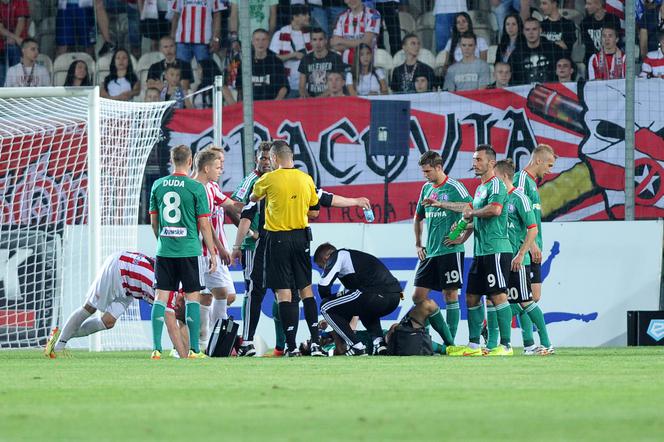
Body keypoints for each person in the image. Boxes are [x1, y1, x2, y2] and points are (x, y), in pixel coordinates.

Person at [233, 176, 371, 357]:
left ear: (276, 161)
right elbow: (322, 203)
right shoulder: (301, 181)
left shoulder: (267, 184)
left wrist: (237, 246)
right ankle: (309, 344)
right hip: (297, 242)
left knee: (275, 293)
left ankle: (283, 345)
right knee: (299, 292)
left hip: (273, 244)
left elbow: (246, 211)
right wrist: (356, 201)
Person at [43, 252, 189, 359]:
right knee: (90, 308)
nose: (176, 310)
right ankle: (59, 346)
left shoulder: (180, 290)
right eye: (180, 308)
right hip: (118, 268)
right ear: (182, 299)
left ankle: (61, 335)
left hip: (130, 288)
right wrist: (185, 359)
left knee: (108, 322)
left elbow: (177, 324)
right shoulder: (170, 292)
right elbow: (172, 328)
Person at [249, 140, 320, 357]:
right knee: (306, 290)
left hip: (277, 239)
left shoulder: (268, 178)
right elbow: (315, 211)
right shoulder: (306, 179)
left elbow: (253, 198)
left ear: (275, 158)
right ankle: (315, 343)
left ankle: (291, 346)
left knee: (284, 293)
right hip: (301, 239)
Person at [148, 145, 218, 359]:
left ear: (172, 160)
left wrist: (163, 241)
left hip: (165, 251)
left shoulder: (158, 185)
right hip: (189, 251)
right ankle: (195, 350)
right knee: (192, 298)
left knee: (161, 298)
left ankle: (156, 348)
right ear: (190, 162)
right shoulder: (195, 188)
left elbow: (154, 222)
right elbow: (205, 225)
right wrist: (213, 253)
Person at [447, 145, 514, 357]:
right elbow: (476, 219)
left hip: (496, 249)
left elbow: (495, 210)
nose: (474, 163)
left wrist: (471, 213)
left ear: (491, 163)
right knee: (471, 296)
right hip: (481, 251)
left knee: (498, 295)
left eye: (478, 159)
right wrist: (464, 227)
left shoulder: (497, 186)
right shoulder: (479, 188)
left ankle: (506, 346)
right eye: (474, 159)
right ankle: (474, 345)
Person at [411, 151, 472, 348]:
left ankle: (450, 344)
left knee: (450, 294)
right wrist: (418, 243)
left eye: (427, 171)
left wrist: (462, 237)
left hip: (450, 250)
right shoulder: (426, 188)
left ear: (439, 167)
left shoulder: (454, 186)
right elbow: (418, 216)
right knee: (417, 297)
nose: (425, 175)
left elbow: (470, 209)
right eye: (423, 172)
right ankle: (424, 337)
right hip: (431, 252)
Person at [494, 160, 553, 355]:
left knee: (526, 300)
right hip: (503, 257)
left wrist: (521, 254)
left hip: (518, 260)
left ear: (503, 176)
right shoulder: (500, 199)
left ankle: (544, 342)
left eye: (495, 176)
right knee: (505, 300)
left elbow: (532, 229)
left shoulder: (519, 197)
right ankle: (514, 344)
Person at [314, 243, 401, 356]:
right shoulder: (355, 261)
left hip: (374, 293)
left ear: (326, 258)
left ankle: (356, 347)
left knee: (325, 307)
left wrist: (330, 311)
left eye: (321, 266)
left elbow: (323, 286)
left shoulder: (338, 255)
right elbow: (352, 303)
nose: (323, 269)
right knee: (362, 307)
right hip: (394, 298)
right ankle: (379, 344)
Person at [194, 147, 241, 345]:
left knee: (217, 296)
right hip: (204, 252)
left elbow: (233, 206)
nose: (221, 169)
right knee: (201, 297)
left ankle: (210, 339)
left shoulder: (212, 187)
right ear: (206, 167)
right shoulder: (200, 188)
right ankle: (209, 341)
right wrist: (219, 249)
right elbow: (204, 224)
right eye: (218, 165)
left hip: (210, 251)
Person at [514, 144, 557, 306]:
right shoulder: (521, 179)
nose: (550, 170)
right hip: (523, 247)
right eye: (549, 165)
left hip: (535, 246)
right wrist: (531, 245)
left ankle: (492, 320)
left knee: (534, 296)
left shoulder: (532, 182)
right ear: (538, 160)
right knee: (524, 298)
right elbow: (516, 213)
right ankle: (491, 321)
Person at [232, 28, 288, 102]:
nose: (260, 43)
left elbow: (284, 87)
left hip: (271, 104)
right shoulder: (245, 62)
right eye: (257, 40)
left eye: (264, 39)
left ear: (268, 42)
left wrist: (276, 102)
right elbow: (239, 87)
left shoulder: (276, 62)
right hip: (250, 106)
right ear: (252, 42)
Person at [270, 4, 312, 98]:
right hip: (287, 85)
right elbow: (273, 59)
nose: (308, 16)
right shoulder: (279, 34)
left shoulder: (310, 34)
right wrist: (292, 55)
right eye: (304, 14)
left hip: (307, 85)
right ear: (295, 17)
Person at [509, 18, 563, 85]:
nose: (531, 33)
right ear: (523, 32)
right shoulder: (516, 54)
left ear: (540, 30)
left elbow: (568, 68)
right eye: (527, 29)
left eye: (534, 29)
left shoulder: (553, 49)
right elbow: (511, 78)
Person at [298, 27, 346, 98]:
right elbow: (301, 86)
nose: (318, 43)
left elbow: (338, 85)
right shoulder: (305, 59)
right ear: (310, 42)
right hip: (310, 100)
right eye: (314, 40)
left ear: (326, 41)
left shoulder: (335, 58)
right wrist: (308, 98)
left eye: (320, 39)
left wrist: (317, 100)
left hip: (331, 99)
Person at [331, 0, 381, 65]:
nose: (352, 0)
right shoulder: (341, 16)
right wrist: (360, 41)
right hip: (346, 64)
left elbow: (367, 43)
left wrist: (341, 41)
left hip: (368, 65)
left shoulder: (373, 14)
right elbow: (334, 44)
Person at [0, 0, 29, 86]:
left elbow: (21, 21)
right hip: (4, 44)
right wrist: (15, 38)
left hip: (20, 45)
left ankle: (17, 87)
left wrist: (14, 39)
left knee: (12, 48)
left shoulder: (21, 1)